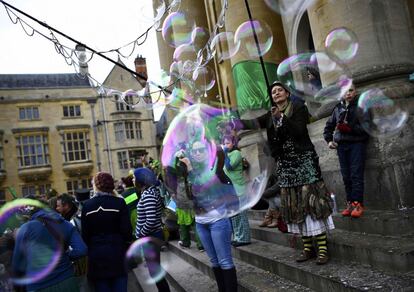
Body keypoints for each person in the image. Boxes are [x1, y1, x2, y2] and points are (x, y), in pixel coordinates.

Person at [265, 81, 334, 265]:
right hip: (286, 166)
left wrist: (282, 117)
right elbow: (271, 142)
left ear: (287, 94)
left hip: (304, 161)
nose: (276, 93)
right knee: (295, 206)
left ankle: (322, 250)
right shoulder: (270, 116)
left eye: (280, 90)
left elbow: (299, 131)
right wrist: (277, 153)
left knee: (312, 204)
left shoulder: (298, 108)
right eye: (273, 92)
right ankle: (307, 249)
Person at [179, 140, 239, 292]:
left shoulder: (214, 169)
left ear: (207, 152)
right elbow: (190, 196)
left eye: (201, 150)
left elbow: (202, 187)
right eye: (194, 151)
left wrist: (190, 168)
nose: (198, 153)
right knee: (214, 262)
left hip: (218, 221)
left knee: (225, 261)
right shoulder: (191, 173)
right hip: (201, 222)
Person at [12, 196, 87, 292]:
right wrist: (65, 256)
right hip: (67, 280)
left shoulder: (25, 229)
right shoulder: (65, 224)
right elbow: (82, 250)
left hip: (38, 285)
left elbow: (17, 264)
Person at [81, 172, 133, 292]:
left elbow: (85, 235)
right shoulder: (119, 203)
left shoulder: (87, 206)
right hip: (117, 253)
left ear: (96, 186)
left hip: (96, 255)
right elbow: (127, 231)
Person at [323, 84, 369, 218]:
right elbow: (328, 127)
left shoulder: (361, 106)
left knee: (356, 174)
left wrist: (350, 129)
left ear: (355, 91)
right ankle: (350, 203)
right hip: (342, 146)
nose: (348, 93)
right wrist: (329, 140)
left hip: (356, 144)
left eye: (351, 90)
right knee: (346, 176)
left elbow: (368, 127)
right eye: (345, 91)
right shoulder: (338, 108)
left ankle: (358, 203)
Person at [133, 167, 171, 292]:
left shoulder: (148, 194)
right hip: (151, 236)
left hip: (151, 237)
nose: (133, 180)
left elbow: (150, 220)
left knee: (154, 271)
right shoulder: (149, 191)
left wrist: (140, 233)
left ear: (141, 180)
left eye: (134, 177)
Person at [164, 153, 204, 251]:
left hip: (181, 202)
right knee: (195, 223)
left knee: (183, 224)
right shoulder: (189, 174)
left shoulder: (176, 176)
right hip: (191, 202)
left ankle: (186, 242)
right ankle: (201, 244)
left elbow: (169, 183)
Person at [222, 135, 251, 247]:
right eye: (224, 143)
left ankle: (245, 238)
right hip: (231, 190)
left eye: (228, 143)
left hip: (239, 188)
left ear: (233, 144)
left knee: (242, 215)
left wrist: (224, 153)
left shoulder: (236, 154)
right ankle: (238, 237)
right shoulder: (227, 155)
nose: (225, 145)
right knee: (235, 216)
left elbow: (229, 167)